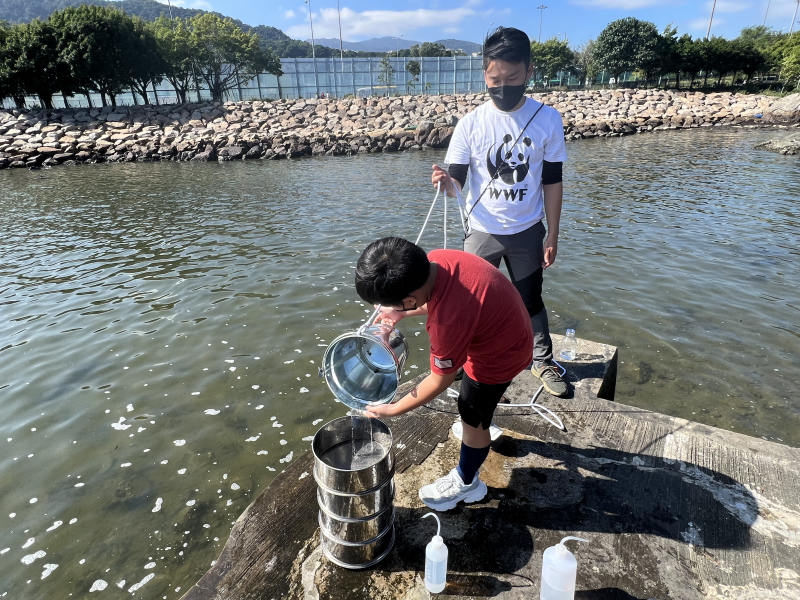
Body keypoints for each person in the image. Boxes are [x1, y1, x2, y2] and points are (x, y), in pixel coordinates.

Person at [431, 26, 569, 398]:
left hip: (528, 230)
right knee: (468, 301)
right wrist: (445, 182)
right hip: (482, 231)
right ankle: (464, 361)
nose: (503, 85)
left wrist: (553, 233)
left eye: (512, 77)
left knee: (530, 299)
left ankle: (542, 360)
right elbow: (456, 182)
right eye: (495, 78)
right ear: (485, 75)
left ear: (529, 72)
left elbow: (552, 182)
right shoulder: (471, 123)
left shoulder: (548, 119)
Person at [356, 237, 533, 511]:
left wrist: (393, 409)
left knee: (471, 412)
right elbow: (438, 299)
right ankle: (482, 428)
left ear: (409, 299)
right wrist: (400, 313)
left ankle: (467, 482)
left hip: (500, 356)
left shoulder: (447, 322)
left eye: (391, 304)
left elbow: (441, 379)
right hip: (507, 327)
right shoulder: (436, 261)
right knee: (476, 406)